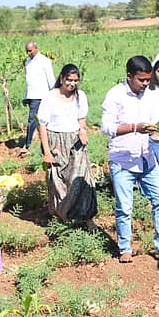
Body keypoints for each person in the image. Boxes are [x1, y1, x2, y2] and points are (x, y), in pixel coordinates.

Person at [101, 56, 159, 264]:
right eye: (142, 80)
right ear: (129, 76)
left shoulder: (149, 96)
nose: (146, 84)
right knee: (125, 207)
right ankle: (125, 248)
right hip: (123, 160)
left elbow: (154, 125)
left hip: (147, 157)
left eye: (148, 79)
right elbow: (106, 127)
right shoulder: (115, 95)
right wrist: (135, 127)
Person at [37, 64, 98, 227]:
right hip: (55, 140)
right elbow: (42, 125)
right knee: (57, 180)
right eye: (69, 80)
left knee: (81, 178)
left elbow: (81, 119)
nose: (72, 84)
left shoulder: (81, 96)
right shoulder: (50, 97)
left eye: (75, 81)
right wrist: (47, 152)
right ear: (62, 78)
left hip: (75, 141)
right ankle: (62, 215)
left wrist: (83, 130)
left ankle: (86, 216)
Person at [23, 41, 55, 155]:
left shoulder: (45, 61)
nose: (28, 53)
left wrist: (54, 93)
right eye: (27, 51)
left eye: (30, 50)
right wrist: (26, 96)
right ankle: (30, 144)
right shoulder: (27, 62)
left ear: (36, 48)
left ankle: (30, 144)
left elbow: (50, 78)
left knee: (40, 119)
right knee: (33, 120)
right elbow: (28, 81)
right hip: (32, 95)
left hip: (43, 95)